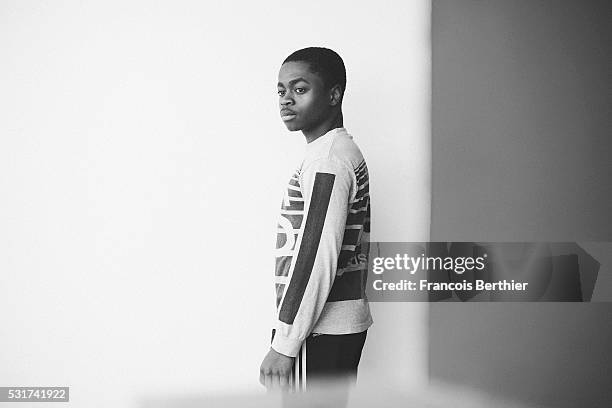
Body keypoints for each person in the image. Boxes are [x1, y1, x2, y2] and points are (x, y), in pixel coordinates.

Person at [259, 47, 373, 397]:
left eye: (300, 89)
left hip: (319, 330)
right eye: (281, 90)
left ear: (334, 94)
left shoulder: (327, 160)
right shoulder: (331, 153)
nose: (286, 100)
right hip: (324, 328)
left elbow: (315, 255)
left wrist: (286, 342)